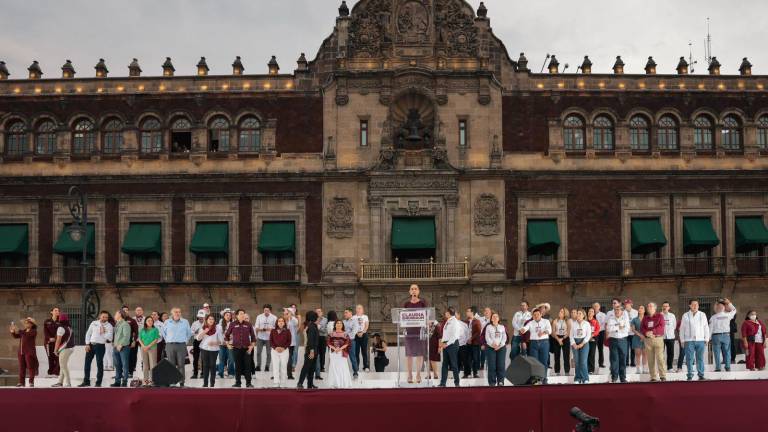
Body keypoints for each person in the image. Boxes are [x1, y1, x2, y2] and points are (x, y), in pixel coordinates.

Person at [79, 311, 113, 387]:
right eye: (103, 316)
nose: (105, 318)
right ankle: (86, 381)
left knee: (99, 364)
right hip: (91, 345)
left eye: (106, 317)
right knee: (87, 363)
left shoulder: (109, 326)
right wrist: (87, 344)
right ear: (100, 316)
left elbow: (110, 338)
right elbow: (88, 333)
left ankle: (98, 382)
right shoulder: (94, 323)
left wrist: (103, 333)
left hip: (100, 346)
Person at [161, 307, 193, 387]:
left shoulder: (185, 322)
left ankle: (182, 382)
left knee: (181, 364)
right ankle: (172, 382)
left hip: (181, 345)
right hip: (170, 345)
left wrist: (185, 341)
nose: (177, 313)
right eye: (175, 312)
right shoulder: (167, 322)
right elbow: (163, 333)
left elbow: (189, 333)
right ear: (172, 313)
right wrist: (168, 341)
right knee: (171, 364)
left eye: (179, 312)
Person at [680, 300, 710, 381]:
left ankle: (701, 374)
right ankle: (690, 375)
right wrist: (682, 340)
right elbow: (682, 328)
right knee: (689, 358)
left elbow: (706, 327)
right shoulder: (685, 315)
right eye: (693, 304)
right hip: (688, 340)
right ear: (690, 305)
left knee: (700, 358)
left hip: (700, 340)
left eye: (696, 304)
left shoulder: (702, 314)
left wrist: (707, 338)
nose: (695, 306)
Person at [225, 309, 256, 388]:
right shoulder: (232, 324)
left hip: (247, 349)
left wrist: (251, 347)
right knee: (238, 366)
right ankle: (238, 382)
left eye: (243, 313)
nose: (243, 315)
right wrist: (228, 344)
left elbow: (253, 337)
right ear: (237, 315)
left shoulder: (248, 324)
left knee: (247, 366)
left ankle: (248, 383)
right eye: (241, 314)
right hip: (236, 348)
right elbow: (226, 335)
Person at [520, 308, 552, 384]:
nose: (536, 316)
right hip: (533, 343)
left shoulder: (546, 321)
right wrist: (523, 329)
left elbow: (549, 330)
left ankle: (544, 379)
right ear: (533, 316)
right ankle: (537, 379)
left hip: (544, 343)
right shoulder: (531, 322)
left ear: (541, 314)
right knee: (535, 362)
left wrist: (544, 332)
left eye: (538, 314)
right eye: (534, 315)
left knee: (544, 361)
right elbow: (526, 327)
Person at [404, 283, 428, 384]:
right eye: (412, 289)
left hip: (420, 331)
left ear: (418, 291)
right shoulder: (406, 304)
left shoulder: (423, 303)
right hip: (409, 331)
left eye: (415, 289)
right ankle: (409, 375)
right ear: (410, 292)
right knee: (409, 354)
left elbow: (427, 315)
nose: (414, 291)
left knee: (419, 354)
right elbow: (403, 316)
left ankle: (418, 374)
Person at [709, 299, 738, 372]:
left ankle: (718, 368)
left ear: (716, 308)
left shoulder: (713, 317)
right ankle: (727, 367)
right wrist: (729, 303)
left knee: (716, 352)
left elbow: (710, 328)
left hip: (716, 336)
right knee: (727, 352)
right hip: (726, 335)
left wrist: (708, 338)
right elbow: (734, 310)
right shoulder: (728, 315)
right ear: (724, 308)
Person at [606, 298, 629, 383]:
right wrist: (618, 328)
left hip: (623, 340)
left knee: (623, 359)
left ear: (622, 311)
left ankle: (623, 378)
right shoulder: (611, 319)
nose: (617, 311)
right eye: (616, 310)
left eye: (619, 310)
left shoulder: (625, 318)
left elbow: (627, 329)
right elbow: (608, 329)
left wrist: (615, 328)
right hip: (613, 340)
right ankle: (614, 378)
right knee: (614, 360)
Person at [10, 317, 38, 387]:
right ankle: (21, 382)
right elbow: (16, 336)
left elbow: (27, 335)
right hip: (21, 352)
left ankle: (31, 382)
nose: (25, 324)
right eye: (25, 323)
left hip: (29, 352)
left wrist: (18, 330)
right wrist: (13, 332)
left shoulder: (33, 331)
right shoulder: (24, 331)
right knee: (21, 367)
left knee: (31, 367)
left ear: (31, 324)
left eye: (27, 323)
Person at [641, 302, 666, 382]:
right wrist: (646, 333)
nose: (649, 307)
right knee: (650, 359)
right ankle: (653, 377)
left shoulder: (660, 316)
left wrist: (652, 332)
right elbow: (642, 328)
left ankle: (662, 376)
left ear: (655, 308)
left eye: (651, 306)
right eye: (648, 306)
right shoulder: (645, 318)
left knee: (660, 358)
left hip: (657, 339)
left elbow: (661, 326)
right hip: (648, 340)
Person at [197, 314, 222, 388]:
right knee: (205, 366)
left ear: (214, 320)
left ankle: (212, 384)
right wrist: (204, 332)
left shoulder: (218, 328)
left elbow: (221, 341)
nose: (211, 320)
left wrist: (215, 343)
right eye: (209, 319)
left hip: (214, 349)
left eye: (212, 319)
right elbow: (198, 338)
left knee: (213, 365)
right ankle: (205, 383)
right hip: (204, 348)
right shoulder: (203, 328)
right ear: (206, 320)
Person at [438, 307, 461, 388]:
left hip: (452, 344)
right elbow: (445, 334)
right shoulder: (448, 321)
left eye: (446, 312)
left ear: (448, 313)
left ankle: (457, 383)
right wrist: (442, 343)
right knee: (445, 364)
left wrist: (446, 344)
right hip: (446, 344)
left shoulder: (455, 322)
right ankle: (443, 383)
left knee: (454, 364)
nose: (445, 314)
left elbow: (454, 336)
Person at [327, 319, 353, 388]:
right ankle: (334, 384)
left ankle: (342, 384)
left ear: (342, 325)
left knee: (342, 367)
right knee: (333, 367)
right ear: (335, 325)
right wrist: (334, 348)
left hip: (342, 352)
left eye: (340, 323)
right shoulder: (331, 334)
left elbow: (347, 343)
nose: (339, 324)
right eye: (337, 323)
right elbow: (328, 342)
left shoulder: (345, 334)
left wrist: (340, 349)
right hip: (333, 352)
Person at [297, 310, 320, 389]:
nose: (317, 318)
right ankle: (300, 383)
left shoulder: (310, 325)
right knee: (306, 367)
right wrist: (312, 351)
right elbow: (311, 339)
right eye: (316, 317)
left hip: (312, 350)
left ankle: (310, 384)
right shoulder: (312, 326)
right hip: (311, 350)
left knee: (312, 368)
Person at [52, 313, 75, 387]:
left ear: (60, 319)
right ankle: (60, 382)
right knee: (62, 365)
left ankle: (68, 383)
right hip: (70, 348)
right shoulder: (69, 327)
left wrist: (55, 350)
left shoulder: (61, 328)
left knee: (63, 365)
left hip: (65, 348)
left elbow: (58, 340)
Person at [485, 312, 507, 386]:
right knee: (492, 366)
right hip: (491, 348)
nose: (495, 318)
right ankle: (492, 382)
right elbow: (487, 337)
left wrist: (500, 345)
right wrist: (493, 345)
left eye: (496, 316)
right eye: (493, 317)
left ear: (498, 318)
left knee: (501, 365)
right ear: (491, 319)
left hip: (501, 348)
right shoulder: (488, 327)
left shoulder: (502, 327)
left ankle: (501, 381)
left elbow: (504, 337)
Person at [111, 309, 132, 387]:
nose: (114, 315)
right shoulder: (117, 324)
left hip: (123, 347)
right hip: (116, 347)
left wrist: (121, 344)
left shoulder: (125, 324)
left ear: (120, 314)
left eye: (116, 314)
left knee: (124, 364)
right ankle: (117, 381)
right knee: (117, 365)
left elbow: (126, 336)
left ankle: (125, 381)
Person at [253, 304, 277, 373]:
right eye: (265, 310)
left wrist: (270, 329)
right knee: (258, 352)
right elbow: (256, 327)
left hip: (269, 338)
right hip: (260, 337)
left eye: (267, 310)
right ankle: (258, 366)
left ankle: (267, 366)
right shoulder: (259, 316)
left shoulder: (274, 317)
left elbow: (276, 328)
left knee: (269, 353)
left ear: (270, 310)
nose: (266, 311)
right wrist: (262, 329)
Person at [270, 316, 292, 387]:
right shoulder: (273, 331)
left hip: (284, 351)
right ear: (277, 323)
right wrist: (275, 347)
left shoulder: (287, 331)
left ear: (284, 323)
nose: (281, 322)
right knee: (275, 366)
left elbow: (289, 341)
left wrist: (283, 348)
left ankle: (283, 382)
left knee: (283, 366)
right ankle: (276, 382)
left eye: (282, 321)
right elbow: (271, 341)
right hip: (274, 351)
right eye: (279, 321)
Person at [570, 309, 591, 384]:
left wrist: (582, 343)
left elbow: (588, 335)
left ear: (583, 315)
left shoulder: (587, 324)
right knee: (577, 361)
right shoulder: (573, 324)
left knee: (583, 361)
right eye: (577, 313)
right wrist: (574, 344)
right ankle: (577, 378)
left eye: (580, 313)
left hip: (584, 343)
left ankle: (585, 378)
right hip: (575, 342)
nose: (578, 315)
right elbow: (571, 335)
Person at [139, 316, 160, 386]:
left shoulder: (155, 329)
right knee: (145, 365)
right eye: (148, 320)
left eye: (151, 320)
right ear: (145, 322)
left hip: (152, 348)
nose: (150, 322)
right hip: (143, 348)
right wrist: (143, 346)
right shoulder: (142, 330)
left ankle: (152, 380)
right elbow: (139, 339)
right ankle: (145, 380)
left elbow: (156, 339)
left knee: (153, 364)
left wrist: (148, 346)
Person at [462, 307, 482, 379]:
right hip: (466, 343)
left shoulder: (477, 321)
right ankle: (466, 373)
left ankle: (475, 373)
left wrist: (471, 338)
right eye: (467, 311)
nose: (467, 312)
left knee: (475, 359)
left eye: (468, 311)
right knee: (467, 359)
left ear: (472, 312)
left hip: (475, 343)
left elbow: (478, 332)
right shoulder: (465, 321)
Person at [551, 307, 571, 376]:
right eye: (560, 311)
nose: (560, 312)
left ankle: (567, 371)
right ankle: (557, 371)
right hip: (556, 338)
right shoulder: (555, 320)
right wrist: (558, 339)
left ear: (565, 314)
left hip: (565, 338)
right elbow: (553, 332)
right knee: (556, 356)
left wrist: (562, 339)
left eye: (562, 312)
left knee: (566, 356)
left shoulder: (568, 321)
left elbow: (568, 332)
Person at [342, 307, 361, 379]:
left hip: (351, 341)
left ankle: (355, 372)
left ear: (351, 313)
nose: (345, 314)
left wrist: (345, 334)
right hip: (342, 342)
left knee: (352, 357)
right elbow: (341, 331)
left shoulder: (355, 321)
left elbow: (353, 333)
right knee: (343, 357)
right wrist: (345, 333)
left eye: (346, 312)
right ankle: (343, 373)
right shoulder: (343, 322)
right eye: (344, 313)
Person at [217, 309, 235, 378]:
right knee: (221, 359)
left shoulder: (233, 324)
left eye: (229, 315)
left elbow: (234, 334)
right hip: (222, 344)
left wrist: (231, 337)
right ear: (224, 316)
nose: (228, 316)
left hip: (230, 344)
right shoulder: (219, 325)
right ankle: (220, 373)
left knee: (231, 359)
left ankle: (231, 373)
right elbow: (218, 334)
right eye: (226, 315)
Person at [43, 307, 60, 378]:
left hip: (57, 342)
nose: (57, 312)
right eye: (55, 310)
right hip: (48, 343)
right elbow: (45, 331)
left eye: (58, 311)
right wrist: (49, 338)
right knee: (50, 357)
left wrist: (55, 338)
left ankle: (56, 373)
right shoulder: (47, 321)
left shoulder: (60, 321)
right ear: (51, 312)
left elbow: (61, 331)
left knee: (57, 358)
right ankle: (50, 372)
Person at [353, 304, 371, 373]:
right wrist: (357, 333)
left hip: (364, 335)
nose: (359, 309)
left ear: (362, 310)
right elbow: (353, 326)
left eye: (360, 308)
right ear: (356, 309)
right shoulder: (353, 317)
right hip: (356, 335)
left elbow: (366, 326)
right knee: (356, 352)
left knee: (364, 352)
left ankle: (366, 366)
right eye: (357, 308)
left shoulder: (365, 317)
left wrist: (362, 332)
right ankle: (356, 367)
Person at [630, 305, 647, 374]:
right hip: (637, 338)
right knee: (638, 354)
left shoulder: (647, 318)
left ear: (644, 310)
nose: (640, 309)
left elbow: (649, 328)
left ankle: (645, 368)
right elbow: (633, 329)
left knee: (645, 354)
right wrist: (640, 335)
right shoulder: (634, 319)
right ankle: (638, 368)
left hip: (646, 338)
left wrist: (644, 336)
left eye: (642, 308)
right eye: (639, 308)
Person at [661, 302, 677, 372]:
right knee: (660, 353)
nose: (665, 307)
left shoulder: (672, 316)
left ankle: (670, 367)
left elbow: (674, 326)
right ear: (662, 307)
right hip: (661, 337)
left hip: (670, 337)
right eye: (664, 306)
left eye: (666, 306)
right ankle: (661, 368)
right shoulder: (659, 315)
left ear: (669, 308)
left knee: (670, 353)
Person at [129, 306, 145, 379]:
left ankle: (144, 368)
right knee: (133, 355)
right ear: (135, 312)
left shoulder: (146, 319)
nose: (139, 311)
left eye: (140, 310)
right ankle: (132, 369)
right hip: (134, 339)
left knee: (144, 354)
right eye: (137, 310)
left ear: (142, 311)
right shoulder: (132, 319)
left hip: (143, 339)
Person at [190, 309, 206, 379]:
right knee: (195, 358)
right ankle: (195, 374)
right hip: (196, 341)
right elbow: (191, 332)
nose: (201, 318)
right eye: (200, 316)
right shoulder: (194, 323)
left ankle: (203, 373)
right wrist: (195, 332)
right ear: (198, 316)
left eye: (202, 316)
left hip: (204, 341)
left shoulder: (207, 323)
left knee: (204, 358)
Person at [284, 309, 299, 380]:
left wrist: (291, 316)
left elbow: (296, 322)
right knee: (280, 359)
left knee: (289, 359)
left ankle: (289, 374)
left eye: (287, 313)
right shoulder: (280, 321)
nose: (286, 315)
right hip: (281, 344)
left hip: (290, 343)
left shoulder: (292, 321)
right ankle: (277, 374)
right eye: (285, 313)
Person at [623, 299, 639, 368]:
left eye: (628, 304)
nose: (627, 305)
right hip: (625, 333)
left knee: (633, 348)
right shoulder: (623, 312)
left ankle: (632, 362)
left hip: (633, 333)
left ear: (631, 304)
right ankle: (626, 362)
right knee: (625, 348)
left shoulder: (635, 312)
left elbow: (637, 322)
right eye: (626, 304)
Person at [592, 302, 607, 368]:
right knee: (592, 349)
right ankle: (592, 364)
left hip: (600, 333)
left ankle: (601, 363)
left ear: (599, 307)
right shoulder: (591, 315)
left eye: (597, 306)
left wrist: (597, 330)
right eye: (594, 306)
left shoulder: (603, 315)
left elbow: (603, 324)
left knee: (600, 348)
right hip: (593, 334)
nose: (595, 307)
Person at [586, 307, 600, 374]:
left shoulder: (595, 321)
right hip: (585, 340)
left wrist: (592, 335)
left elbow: (597, 330)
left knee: (592, 354)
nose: (590, 312)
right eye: (589, 311)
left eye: (592, 311)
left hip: (593, 340)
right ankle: (585, 368)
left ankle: (591, 370)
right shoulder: (585, 321)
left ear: (594, 313)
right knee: (585, 354)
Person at [315, 308, 328, 378]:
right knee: (316, 353)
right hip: (315, 338)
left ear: (322, 312)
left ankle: (322, 367)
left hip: (322, 338)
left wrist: (319, 327)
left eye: (319, 312)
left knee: (322, 353)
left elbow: (326, 330)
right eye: (316, 312)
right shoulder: (314, 319)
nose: (318, 313)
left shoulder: (325, 320)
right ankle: (316, 367)